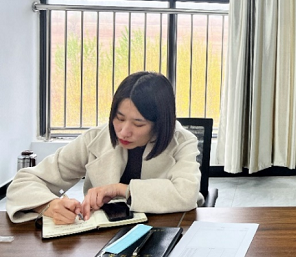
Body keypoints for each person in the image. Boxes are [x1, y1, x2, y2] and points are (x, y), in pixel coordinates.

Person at [7, 71, 203, 224]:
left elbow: (186, 194)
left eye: (138, 124)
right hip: (101, 240)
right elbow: (25, 181)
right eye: (119, 118)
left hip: (165, 233)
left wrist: (119, 190)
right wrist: (49, 205)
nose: (123, 132)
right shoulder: (95, 138)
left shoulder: (183, 141)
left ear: (159, 124)